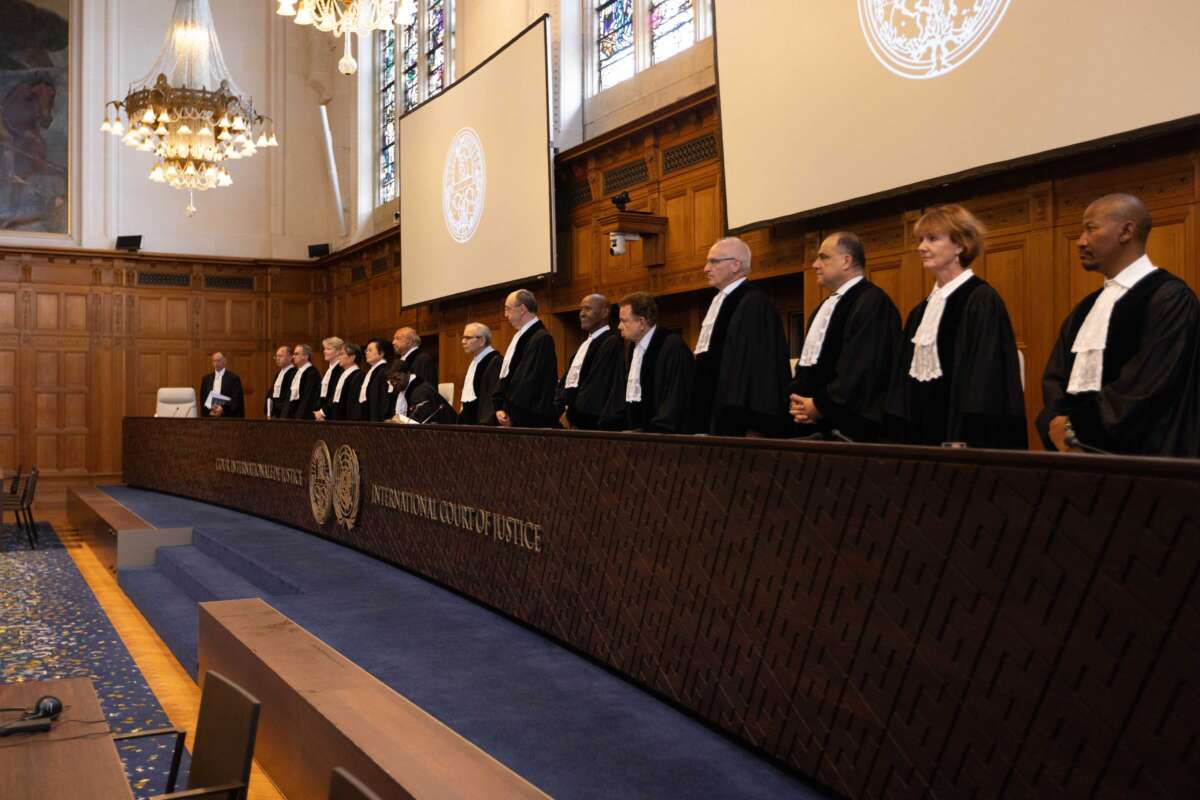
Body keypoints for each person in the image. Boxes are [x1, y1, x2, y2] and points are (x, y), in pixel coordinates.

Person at [1038, 193, 1200, 456]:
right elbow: (1056, 377)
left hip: (1144, 461)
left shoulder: (1170, 298)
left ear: (1126, 231)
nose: (1080, 242)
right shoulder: (1087, 308)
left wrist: (1075, 429)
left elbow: (1148, 384)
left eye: (1090, 228)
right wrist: (1056, 423)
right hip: (1074, 457)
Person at [885, 204, 1027, 448]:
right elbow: (902, 386)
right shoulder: (920, 312)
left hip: (962, 440)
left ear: (960, 245)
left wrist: (966, 441)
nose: (921, 247)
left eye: (932, 238)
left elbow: (986, 380)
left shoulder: (981, 300)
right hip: (919, 441)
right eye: (921, 239)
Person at [789, 232, 902, 442]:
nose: (815, 264)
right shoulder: (824, 307)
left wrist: (821, 405)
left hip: (852, 430)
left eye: (823, 257)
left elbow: (863, 367)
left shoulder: (872, 302)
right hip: (813, 424)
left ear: (846, 261)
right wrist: (800, 403)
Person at [691, 236, 792, 436]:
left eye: (713, 261)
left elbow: (759, 370)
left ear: (735, 265)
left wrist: (752, 423)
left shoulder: (754, 304)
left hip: (740, 419)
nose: (706, 268)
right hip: (713, 410)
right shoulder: (721, 301)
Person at [600, 292, 693, 434]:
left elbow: (676, 399)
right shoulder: (633, 348)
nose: (619, 326)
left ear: (642, 322)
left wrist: (649, 431)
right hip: (638, 436)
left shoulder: (672, 346)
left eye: (624, 321)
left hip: (663, 439)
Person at [492, 289, 558, 428]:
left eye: (508, 309)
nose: (505, 315)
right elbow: (507, 375)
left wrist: (511, 413)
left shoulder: (541, 338)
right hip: (513, 414)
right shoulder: (520, 336)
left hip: (529, 419)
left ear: (522, 309)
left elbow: (528, 381)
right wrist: (499, 408)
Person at [557, 294, 623, 430]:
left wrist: (571, 415)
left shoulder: (611, 343)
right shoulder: (585, 344)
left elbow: (597, 386)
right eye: (581, 309)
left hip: (592, 422)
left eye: (587, 309)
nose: (582, 314)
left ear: (605, 312)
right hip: (573, 421)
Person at [457, 323, 502, 425]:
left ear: (482, 341)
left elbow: (492, 398)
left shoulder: (495, 362)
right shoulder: (476, 361)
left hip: (484, 424)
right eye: (463, 337)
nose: (463, 341)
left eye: (467, 338)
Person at [385, 363, 457, 424]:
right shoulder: (405, 389)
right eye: (391, 381)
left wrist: (400, 421)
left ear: (408, 373)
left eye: (397, 378)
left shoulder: (420, 392)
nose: (394, 383)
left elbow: (423, 423)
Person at [358, 338, 394, 422]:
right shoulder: (372, 371)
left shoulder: (385, 371)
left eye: (370, 350)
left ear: (381, 353)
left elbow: (385, 398)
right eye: (366, 350)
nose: (366, 352)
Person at [200, 352, 244, 418]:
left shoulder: (234, 378)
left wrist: (223, 409)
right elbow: (203, 398)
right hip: (210, 415)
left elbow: (237, 399)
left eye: (218, 361)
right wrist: (209, 410)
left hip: (228, 416)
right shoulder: (206, 379)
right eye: (214, 361)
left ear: (224, 361)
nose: (216, 363)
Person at [329, 344, 364, 421]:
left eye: (341, 354)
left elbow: (353, 404)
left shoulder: (358, 376)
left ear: (352, 357)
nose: (338, 357)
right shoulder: (342, 374)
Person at [286, 344, 321, 421]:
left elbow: (308, 398)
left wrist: (299, 418)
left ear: (306, 356)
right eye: (293, 354)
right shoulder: (296, 372)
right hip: (294, 415)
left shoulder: (312, 373)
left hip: (305, 417)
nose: (293, 357)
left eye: (296, 354)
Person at [313, 337, 344, 421]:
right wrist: (318, 411)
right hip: (322, 414)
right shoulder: (329, 370)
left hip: (331, 414)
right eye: (324, 348)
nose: (324, 351)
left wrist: (323, 412)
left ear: (338, 352)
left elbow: (334, 395)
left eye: (328, 349)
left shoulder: (340, 370)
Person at [266, 346, 295, 418]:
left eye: (280, 356)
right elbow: (271, 394)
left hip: (286, 414)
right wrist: (269, 412)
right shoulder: (279, 374)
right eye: (276, 356)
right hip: (276, 413)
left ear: (290, 357)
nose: (277, 359)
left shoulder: (294, 373)